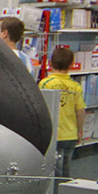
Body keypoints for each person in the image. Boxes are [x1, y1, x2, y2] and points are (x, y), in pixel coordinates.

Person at [38, 45, 85, 179]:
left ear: (50, 63)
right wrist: (79, 131)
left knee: (53, 170)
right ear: (71, 65)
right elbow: (80, 111)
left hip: (53, 135)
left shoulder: (46, 83)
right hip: (70, 134)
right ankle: (64, 193)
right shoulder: (75, 86)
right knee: (66, 168)